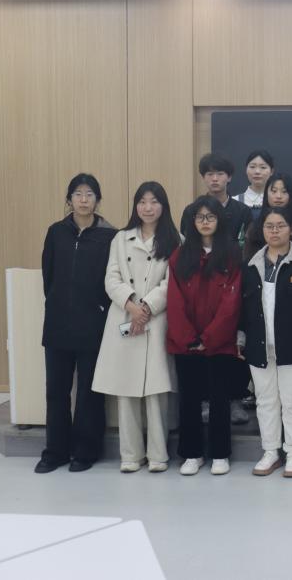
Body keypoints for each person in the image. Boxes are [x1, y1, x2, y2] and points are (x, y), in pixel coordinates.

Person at [93, 181, 180, 473]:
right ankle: (130, 455)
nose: (148, 207)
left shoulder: (174, 239)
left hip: (156, 319)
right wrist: (131, 305)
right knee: (126, 388)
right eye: (142, 202)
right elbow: (111, 278)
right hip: (125, 317)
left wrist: (147, 308)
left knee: (156, 392)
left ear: (163, 206)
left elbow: (171, 283)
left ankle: (158, 455)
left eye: (154, 201)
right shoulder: (121, 238)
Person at [35, 174, 117, 474]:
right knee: (56, 391)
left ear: (98, 200)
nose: (84, 199)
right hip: (58, 324)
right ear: (69, 199)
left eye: (90, 194)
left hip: (93, 324)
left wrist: (98, 309)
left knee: (88, 393)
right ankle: (55, 452)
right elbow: (48, 276)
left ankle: (85, 451)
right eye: (78, 194)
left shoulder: (110, 236)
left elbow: (112, 280)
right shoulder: (56, 232)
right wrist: (59, 304)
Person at [166, 196, 242, 476]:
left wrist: (209, 338)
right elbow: (174, 300)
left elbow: (231, 303)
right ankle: (192, 453)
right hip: (185, 343)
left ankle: (220, 453)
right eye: (200, 217)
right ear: (192, 221)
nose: (205, 221)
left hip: (219, 342)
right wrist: (189, 338)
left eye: (210, 216)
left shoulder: (232, 255)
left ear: (219, 220)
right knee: (189, 399)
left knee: (220, 399)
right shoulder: (180, 256)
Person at [239, 206, 292, 478]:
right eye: (269, 226)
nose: (274, 231)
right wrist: (241, 338)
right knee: (265, 400)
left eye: (280, 225)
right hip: (259, 344)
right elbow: (242, 308)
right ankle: (270, 451)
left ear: (291, 229)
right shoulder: (250, 266)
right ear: (262, 230)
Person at [180, 153, 251, 242]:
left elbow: (246, 243)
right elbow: (186, 241)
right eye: (210, 174)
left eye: (220, 174)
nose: (215, 179)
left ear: (229, 177)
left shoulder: (243, 211)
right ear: (203, 177)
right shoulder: (191, 211)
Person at [242, 173, 292, 259]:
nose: (278, 196)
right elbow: (248, 259)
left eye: (284, 191)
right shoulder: (255, 227)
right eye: (274, 191)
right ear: (266, 194)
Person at [234, 150, 275, 222]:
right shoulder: (235, 201)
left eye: (263, 167)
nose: (257, 172)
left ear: (271, 171)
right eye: (252, 167)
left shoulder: (279, 200)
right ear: (246, 170)